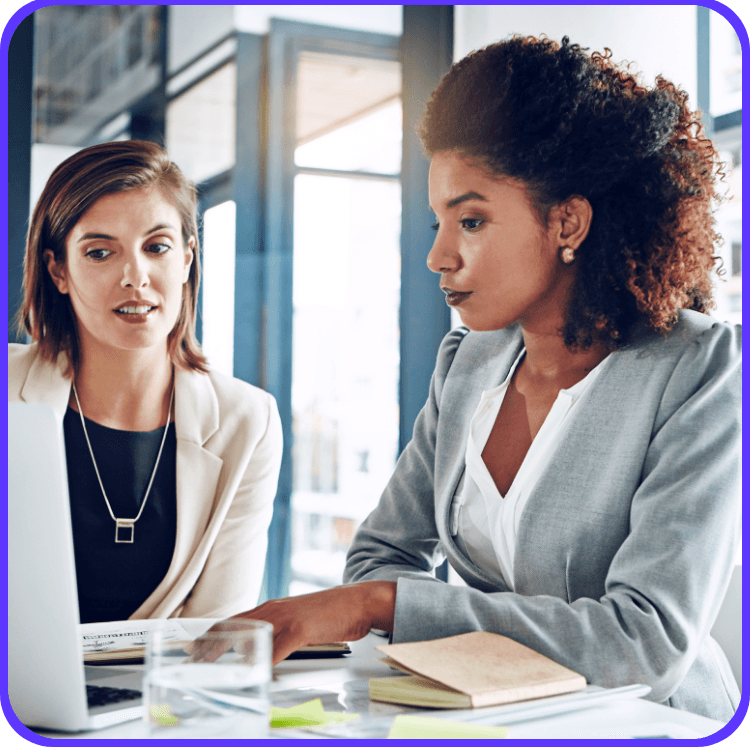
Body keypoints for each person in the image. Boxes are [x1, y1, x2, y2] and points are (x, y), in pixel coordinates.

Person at [227, 36, 741, 721]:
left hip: (650, 724)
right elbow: (384, 549)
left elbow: (643, 643)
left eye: (471, 220)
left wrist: (384, 606)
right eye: (439, 221)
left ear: (569, 221)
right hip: (483, 719)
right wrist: (406, 616)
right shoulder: (467, 362)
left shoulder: (701, 370)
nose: (439, 255)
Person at [8, 140, 282, 623]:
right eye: (99, 252)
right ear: (58, 271)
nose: (135, 277)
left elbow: (217, 628)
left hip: (158, 696)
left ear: (187, 258)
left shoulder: (248, 420)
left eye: (156, 247)